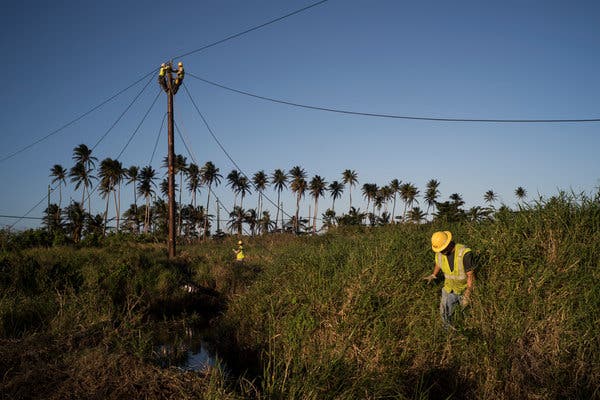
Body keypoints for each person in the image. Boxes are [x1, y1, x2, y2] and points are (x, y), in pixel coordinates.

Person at [424, 231, 477, 327]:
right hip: (449, 289)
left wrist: (468, 293)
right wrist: (433, 275)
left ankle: (465, 331)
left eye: (442, 249)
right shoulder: (440, 253)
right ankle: (448, 332)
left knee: (466, 314)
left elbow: (470, 275)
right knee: (444, 313)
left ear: (448, 243)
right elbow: (438, 263)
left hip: (464, 289)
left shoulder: (464, 253)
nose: (441, 252)